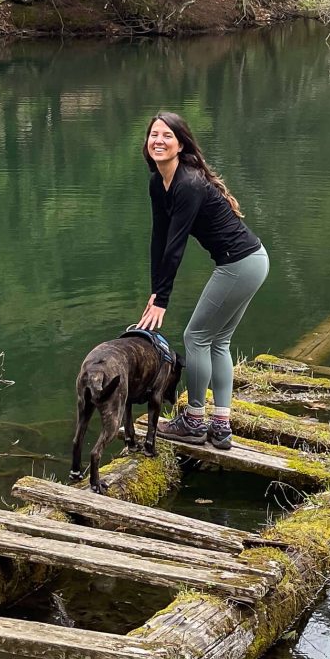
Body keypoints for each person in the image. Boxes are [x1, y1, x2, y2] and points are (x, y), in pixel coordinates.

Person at [135, 111, 269, 451]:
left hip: (240, 265)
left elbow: (176, 247)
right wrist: (156, 291)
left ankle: (194, 420)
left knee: (195, 337)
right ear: (147, 143)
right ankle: (221, 427)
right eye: (154, 135)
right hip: (251, 262)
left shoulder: (189, 184)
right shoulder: (159, 183)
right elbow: (160, 240)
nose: (159, 141)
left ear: (180, 144)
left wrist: (164, 299)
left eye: (167, 136)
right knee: (218, 342)